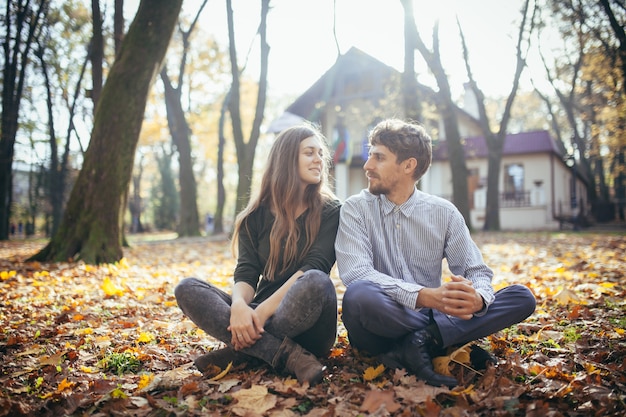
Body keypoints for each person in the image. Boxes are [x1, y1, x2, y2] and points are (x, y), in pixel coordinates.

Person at [334, 118, 536, 388]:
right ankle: (443, 339)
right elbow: (357, 273)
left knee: (521, 297)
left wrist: (478, 299)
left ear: (408, 165)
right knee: (359, 296)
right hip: (382, 320)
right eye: (370, 155)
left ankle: (421, 343)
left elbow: (475, 270)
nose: (368, 166)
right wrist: (427, 297)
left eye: (378, 158)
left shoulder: (444, 213)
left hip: (431, 315)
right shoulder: (355, 209)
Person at [175, 124, 341, 386]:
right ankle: (287, 356)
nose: (319, 159)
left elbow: (315, 266)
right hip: (259, 315)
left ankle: (240, 351)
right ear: (287, 159)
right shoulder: (255, 216)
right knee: (187, 288)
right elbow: (247, 272)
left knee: (316, 280)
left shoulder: (331, 211)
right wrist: (240, 306)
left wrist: (260, 313)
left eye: (321, 153)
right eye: (309, 153)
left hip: (310, 324)